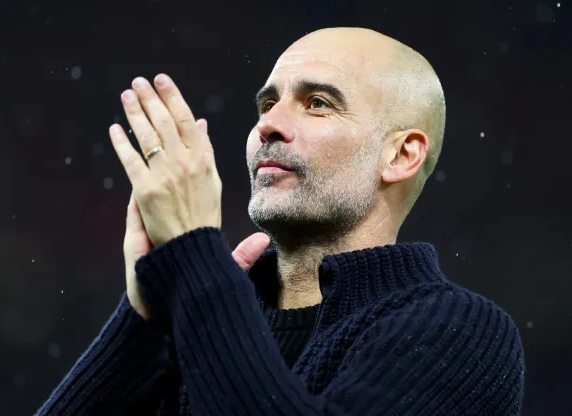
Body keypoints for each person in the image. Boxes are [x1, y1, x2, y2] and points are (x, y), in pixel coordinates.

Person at [38, 27, 525, 415]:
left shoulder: (462, 333)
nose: (267, 124)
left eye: (318, 103)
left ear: (400, 155)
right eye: (268, 103)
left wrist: (195, 258)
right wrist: (147, 322)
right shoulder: (194, 323)